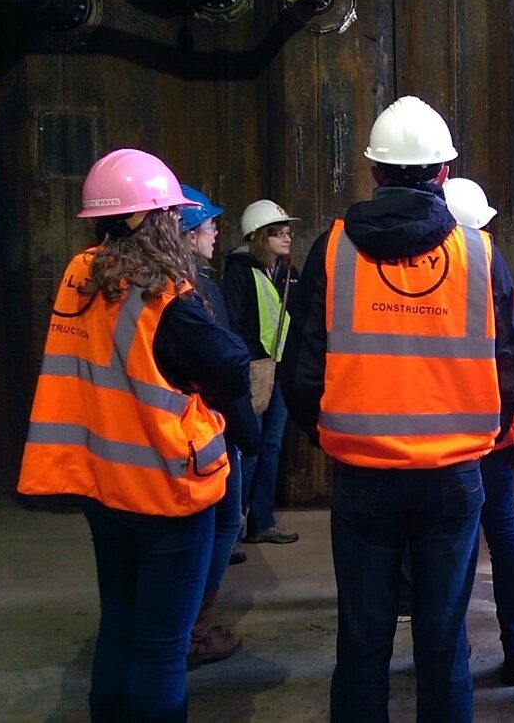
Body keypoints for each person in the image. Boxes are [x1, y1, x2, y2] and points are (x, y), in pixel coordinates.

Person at [280, 96, 514, 723]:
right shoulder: (479, 255)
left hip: (362, 479)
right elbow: (510, 369)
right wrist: (479, 434)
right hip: (452, 479)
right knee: (443, 645)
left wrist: (336, 435)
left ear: (375, 173)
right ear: (443, 173)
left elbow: (301, 374)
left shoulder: (332, 251)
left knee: (362, 642)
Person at [18, 149, 250, 722]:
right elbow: (229, 366)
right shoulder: (164, 295)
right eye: (171, 211)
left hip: (102, 485)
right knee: (161, 648)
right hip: (166, 491)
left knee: (119, 624)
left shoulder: (80, 275)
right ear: (151, 218)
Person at [442, 176, 514, 686]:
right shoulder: (486, 264)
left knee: (449, 546)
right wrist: (506, 421)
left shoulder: (424, 273)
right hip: (488, 433)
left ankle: (448, 650)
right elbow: (511, 352)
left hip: (439, 438)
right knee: (501, 535)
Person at [179, 185, 264, 669]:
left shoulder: (161, 282)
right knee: (219, 524)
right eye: (208, 226)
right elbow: (226, 364)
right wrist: (246, 430)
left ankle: (190, 625)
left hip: (188, 431)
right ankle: (193, 631)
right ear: (188, 235)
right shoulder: (201, 289)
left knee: (219, 525)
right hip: (207, 432)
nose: (215, 233)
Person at [223, 198, 302, 546]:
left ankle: (262, 520)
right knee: (250, 447)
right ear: (258, 236)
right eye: (278, 233)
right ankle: (235, 523)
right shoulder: (240, 270)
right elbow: (235, 321)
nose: (287, 239)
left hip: (281, 368)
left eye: (287, 233)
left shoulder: (287, 272)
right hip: (254, 369)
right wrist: (249, 362)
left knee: (270, 446)